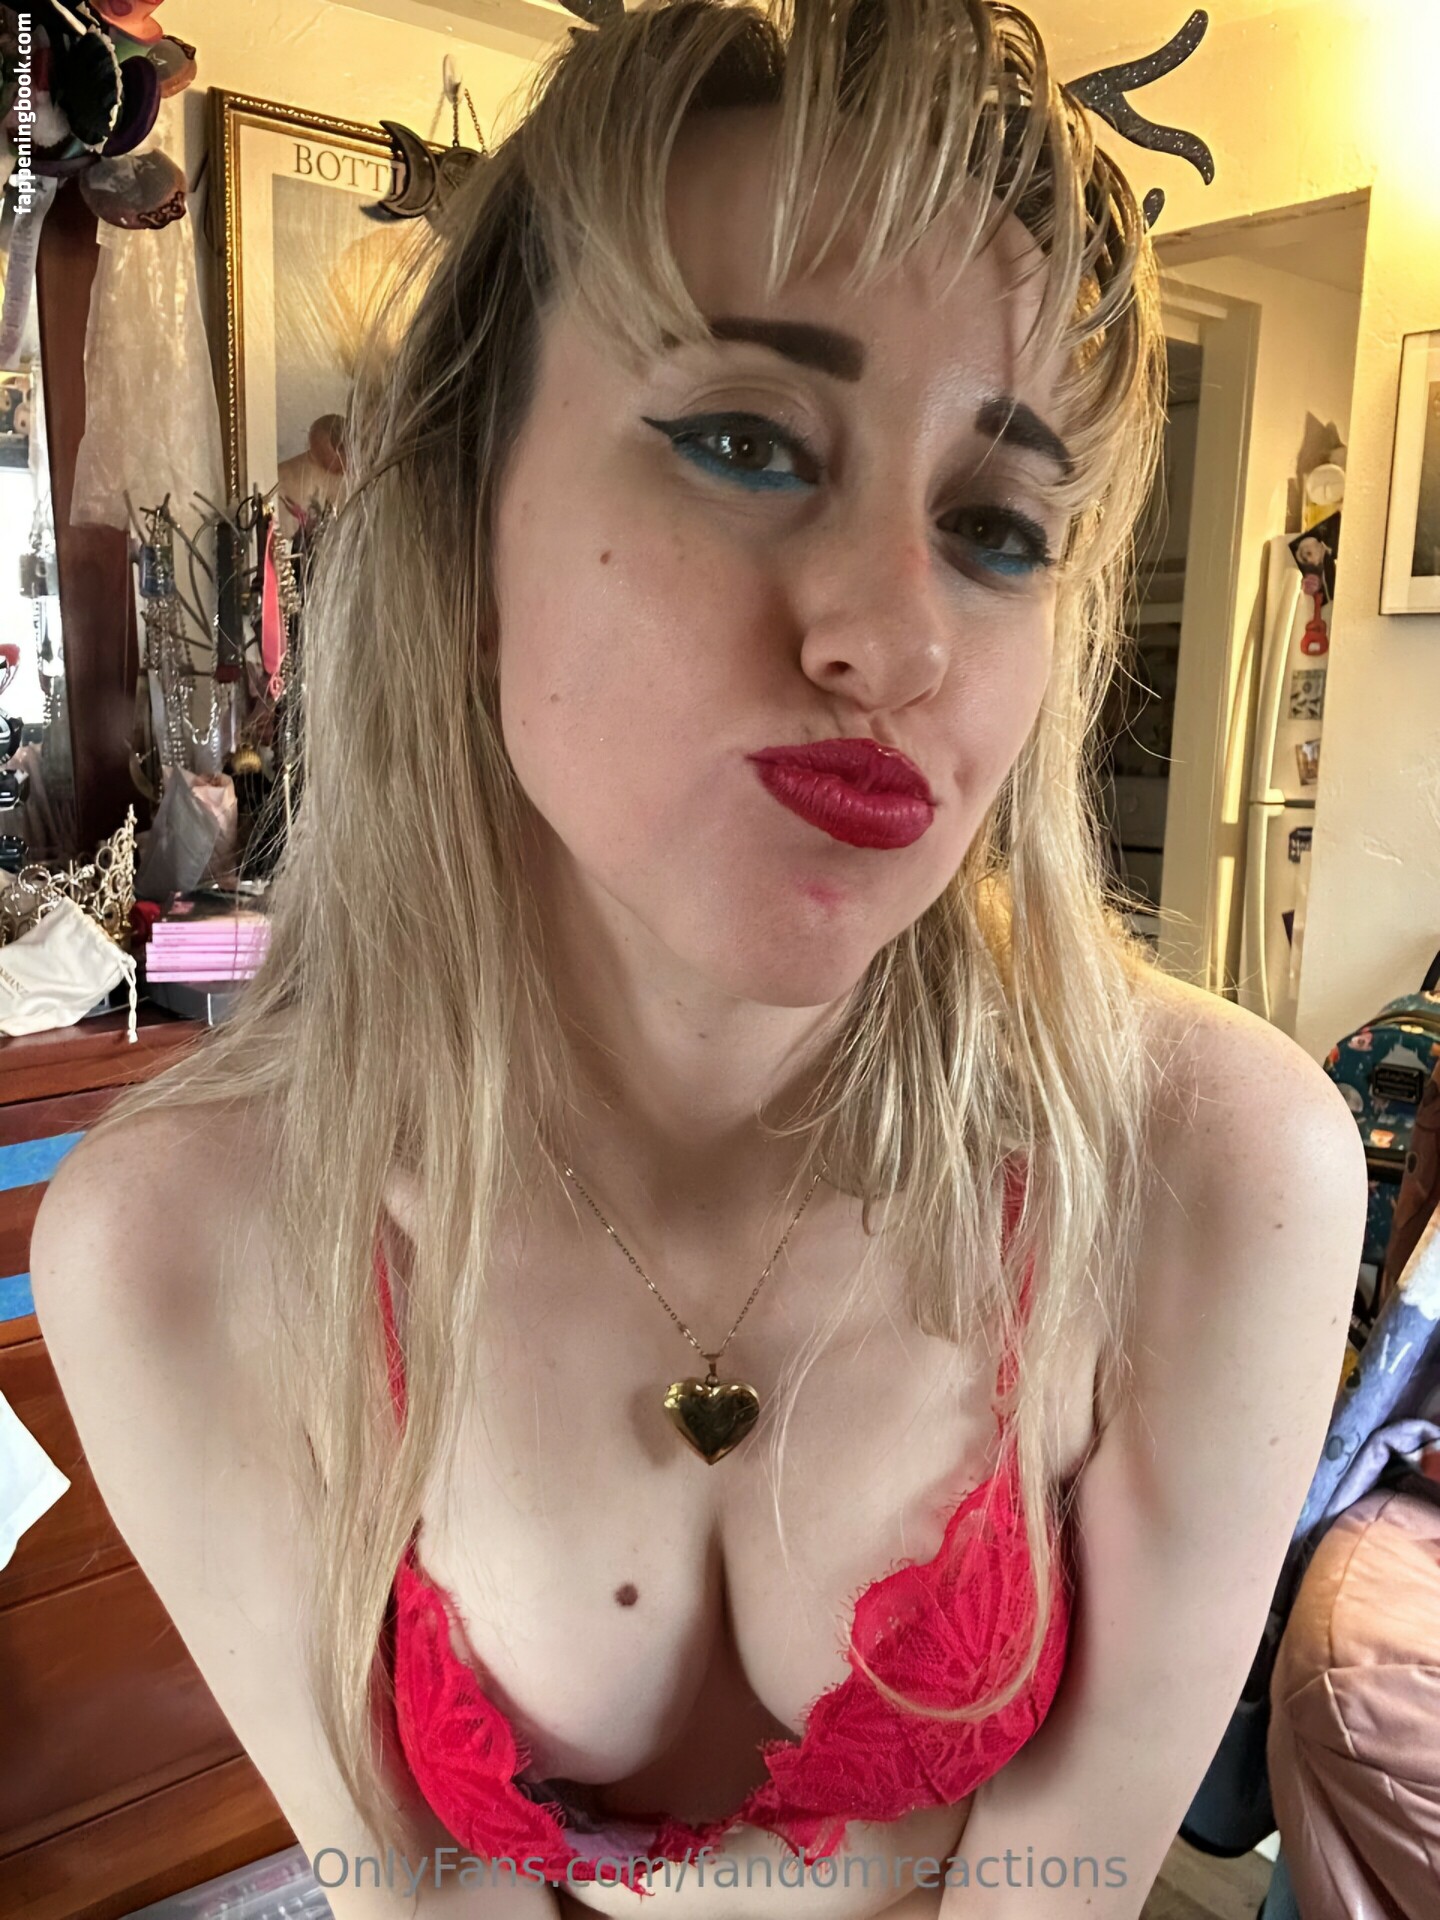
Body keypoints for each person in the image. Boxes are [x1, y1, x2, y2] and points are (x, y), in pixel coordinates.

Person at [30, 3, 1366, 1916]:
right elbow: (410, 1888)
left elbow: (1062, 1883)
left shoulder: (1205, 1164)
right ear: (463, 525)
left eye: (997, 527)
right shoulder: (181, 1242)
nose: (899, 639)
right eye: (746, 441)